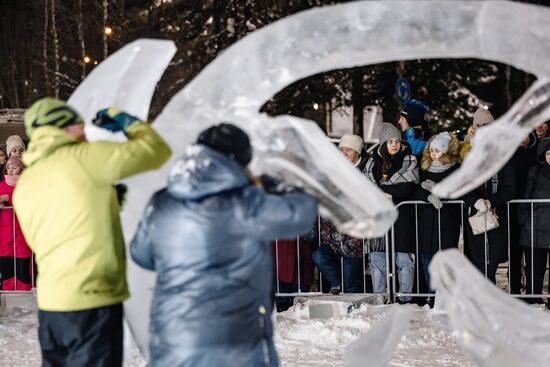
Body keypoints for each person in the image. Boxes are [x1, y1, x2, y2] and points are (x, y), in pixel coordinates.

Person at [130, 123, 318, 367]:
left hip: (173, 337)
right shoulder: (246, 203)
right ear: (240, 160)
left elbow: (141, 254)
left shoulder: (163, 201)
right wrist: (275, 186)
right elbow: (302, 213)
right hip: (235, 340)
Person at [13, 97, 171, 367]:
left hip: (52, 306)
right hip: (92, 301)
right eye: (78, 125)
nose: (85, 130)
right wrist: (124, 120)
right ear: (62, 128)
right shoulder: (86, 158)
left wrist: (103, 201)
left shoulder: (27, 181)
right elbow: (156, 150)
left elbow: (54, 230)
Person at [364, 123, 419, 303]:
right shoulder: (372, 163)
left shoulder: (409, 160)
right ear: (383, 144)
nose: (394, 145)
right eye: (390, 142)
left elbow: (407, 188)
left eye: (397, 141)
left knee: (404, 261)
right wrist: (384, 193)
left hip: (402, 219)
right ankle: (380, 297)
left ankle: (405, 298)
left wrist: (387, 192)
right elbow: (367, 187)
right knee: (378, 260)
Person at [461, 108, 517, 283]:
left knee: (491, 264)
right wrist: (475, 201)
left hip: (497, 216)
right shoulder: (467, 153)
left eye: (487, 125)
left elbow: (510, 187)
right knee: (477, 264)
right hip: (475, 218)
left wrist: (489, 202)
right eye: (479, 125)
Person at [312, 134, 367, 295]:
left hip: (355, 241)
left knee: (351, 287)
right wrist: (330, 238)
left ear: (356, 152)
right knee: (319, 255)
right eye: (341, 150)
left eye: (348, 150)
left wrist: (354, 242)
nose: (343, 153)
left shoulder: (365, 170)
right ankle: (338, 283)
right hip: (335, 237)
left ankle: (356, 313)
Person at [415, 132, 462, 291]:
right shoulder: (424, 168)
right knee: (426, 261)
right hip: (426, 222)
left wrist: (436, 190)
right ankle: (431, 293)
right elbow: (416, 190)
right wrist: (428, 195)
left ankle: (445, 294)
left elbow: (456, 192)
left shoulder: (455, 169)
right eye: (432, 150)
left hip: (447, 222)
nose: (434, 153)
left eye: (438, 150)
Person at [519, 138, 550, 304]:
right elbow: (526, 196)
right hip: (535, 228)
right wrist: (524, 219)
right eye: (548, 153)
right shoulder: (535, 172)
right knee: (534, 269)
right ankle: (533, 300)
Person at [0, 156, 32, 291]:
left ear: (22, 169)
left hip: (22, 234)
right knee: (7, 270)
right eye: (8, 167)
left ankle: (24, 301)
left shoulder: (26, 185)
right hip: (4, 236)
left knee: (22, 270)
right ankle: (8, 297)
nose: (10, 170)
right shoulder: (1, 185)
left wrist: (9, 198)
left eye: (14, 167)